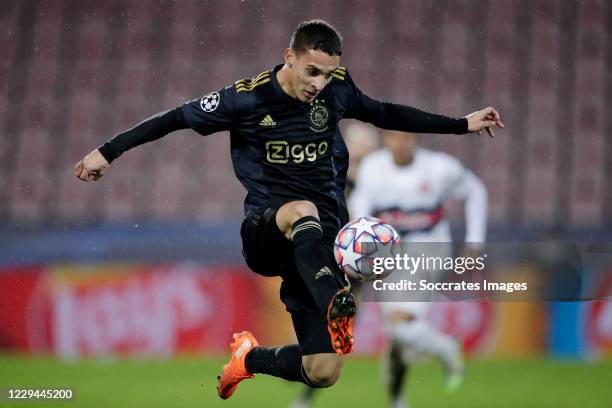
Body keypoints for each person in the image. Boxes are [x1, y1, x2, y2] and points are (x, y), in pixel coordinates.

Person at [74, 20, 503, 400]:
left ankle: (249, 359)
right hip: (266, 229)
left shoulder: (336, 91)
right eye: (311, 71)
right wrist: (107, 152)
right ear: (289, 58)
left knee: (323, 371)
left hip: (317, 247)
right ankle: (334, 297)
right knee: (301, 209)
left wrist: (461, 124)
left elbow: (384, 112)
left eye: (327, 73)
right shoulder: (245, 100)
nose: (318, 82)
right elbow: (174, 119)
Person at [350, 130, 489, 408]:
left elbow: (475, 190)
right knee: (397, 335)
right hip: (393, 257)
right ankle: (397, 400)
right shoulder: (373, 169)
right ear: (386, 140)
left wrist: (475, 238)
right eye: (394, 138)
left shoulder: (439, 168)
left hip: (429, 251)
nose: (400, 144)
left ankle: (446, 348)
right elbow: (360, 207)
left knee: (399, 324)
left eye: (406, 138)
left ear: (416, 140)